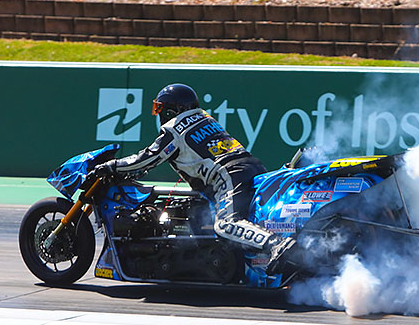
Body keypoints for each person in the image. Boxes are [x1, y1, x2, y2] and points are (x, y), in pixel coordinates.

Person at [93, 83, 295, 273]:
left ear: (171, 109)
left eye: (159, 108)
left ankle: (276, 244)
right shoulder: (206, 119)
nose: (158, 113)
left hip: (229, 174)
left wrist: (112, 166)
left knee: (226, 224)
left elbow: (148, 157)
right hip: (252, 166)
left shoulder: (174, 128)